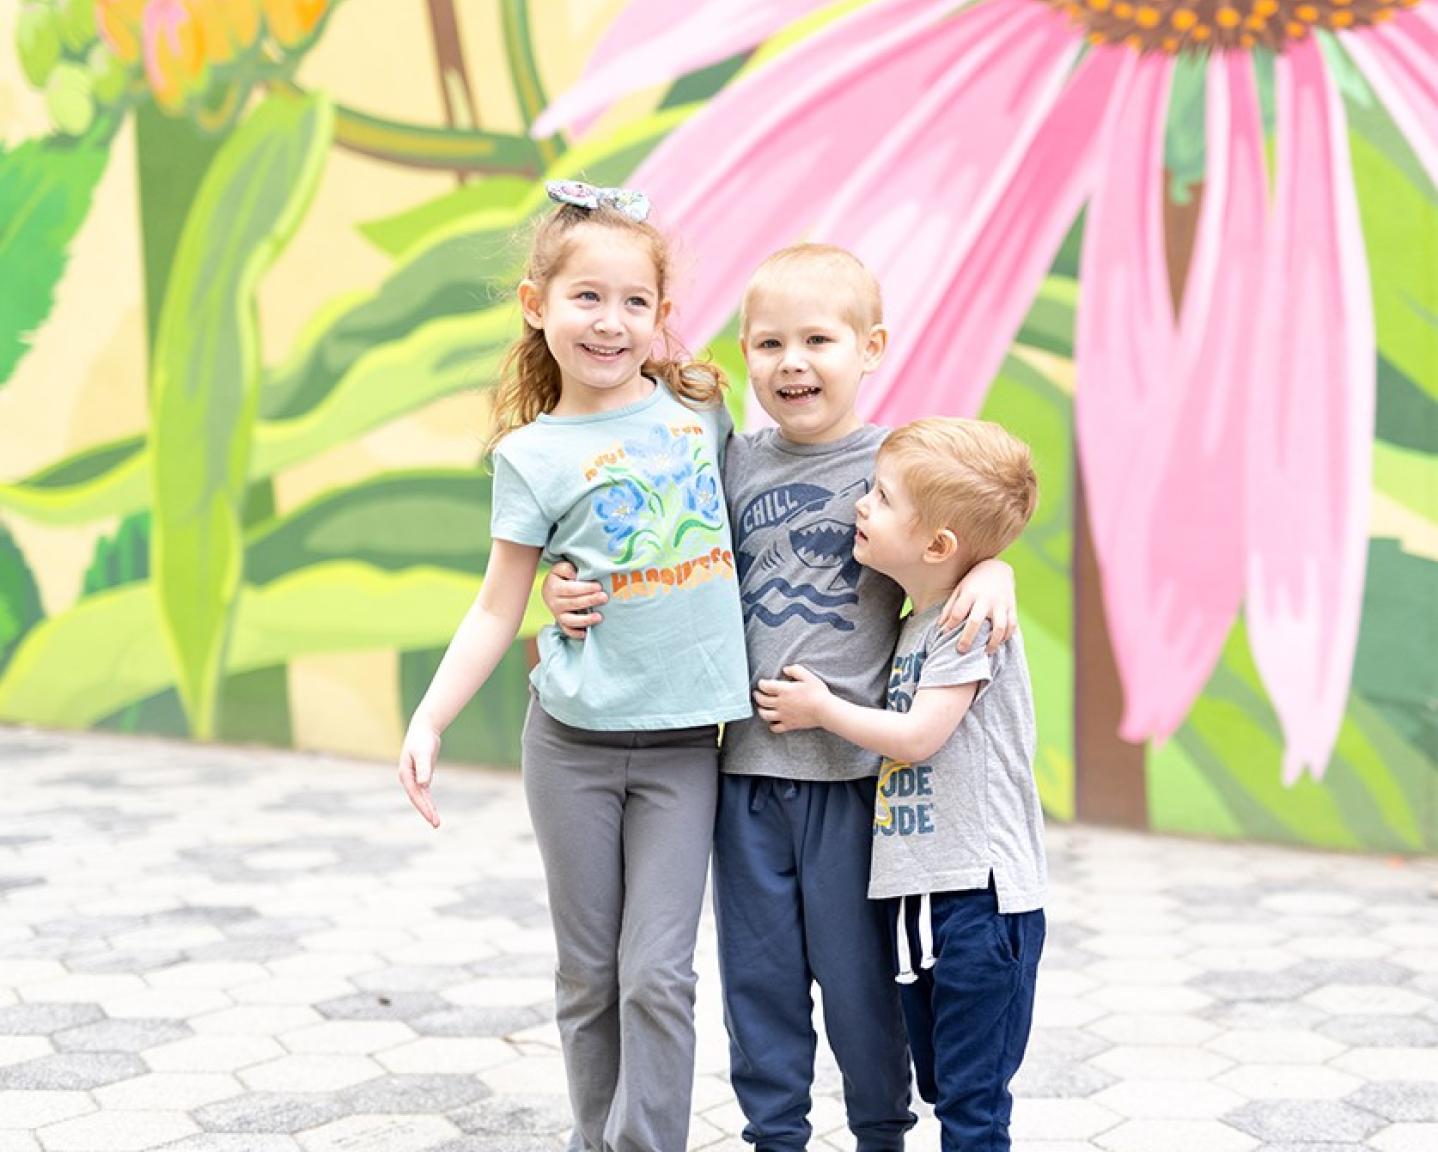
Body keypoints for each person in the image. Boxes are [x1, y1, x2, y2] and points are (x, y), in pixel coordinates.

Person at [544, 245, 1018, 1152]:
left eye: (817, 341)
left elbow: (965, 532)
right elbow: (650, 543)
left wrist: (996, 571)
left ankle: (879, 1132)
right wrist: (558, 585)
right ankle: (775, 1136)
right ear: (747, 354)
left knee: (860, 987)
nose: (791, 362)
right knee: (757, 987)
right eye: (769, 344)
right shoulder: (731, 460)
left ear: (871, 349)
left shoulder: (895, 463)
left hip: (854, 786)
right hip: (744, 778)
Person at [397, 180, 752, 1152]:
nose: (610, 321)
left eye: (634, 301)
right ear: (535, 304)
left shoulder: (700, 412)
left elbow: (777, 506)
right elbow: (495, 605)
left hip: (685, 747)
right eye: (586, 296)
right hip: (572, 749)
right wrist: (428, 719)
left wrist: (982, 566)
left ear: (661, 315)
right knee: (589, 976)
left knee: (658, 976)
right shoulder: (530, 455)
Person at [755, 416, 1046, 1152]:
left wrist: (823, 710)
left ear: (937, 546)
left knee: (973, 1105)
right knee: (947, 1086)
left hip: (979, 902)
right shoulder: (918, 618)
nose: (861, 503)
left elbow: (919, 737)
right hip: (925, 896)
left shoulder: (965, 623)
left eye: (882, 498)